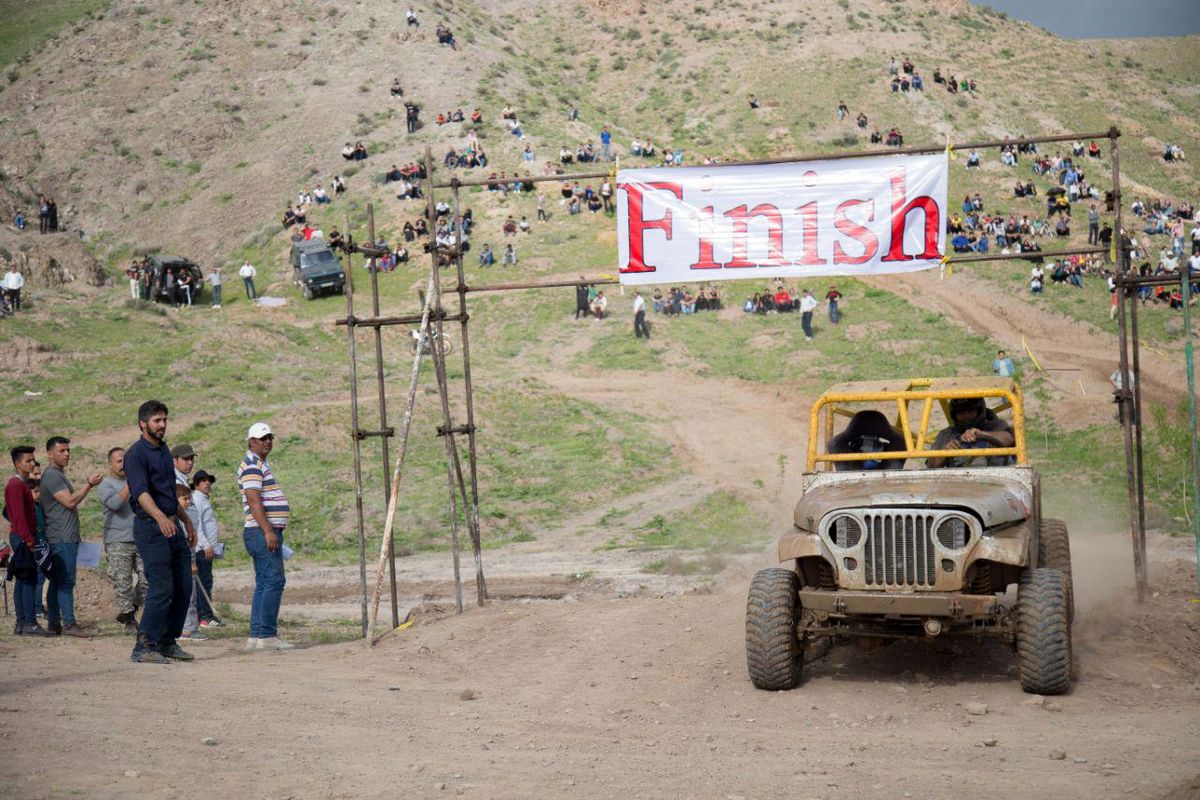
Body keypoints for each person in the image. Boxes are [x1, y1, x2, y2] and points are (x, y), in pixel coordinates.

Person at [124, 400, 198, 664]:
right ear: (143, 424)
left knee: (183, 584)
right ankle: (144, 646)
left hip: (171, 523)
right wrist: (159, 518)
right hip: (150, 526)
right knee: (161, 587)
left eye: (165, 419)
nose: (163, 424)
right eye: (157, 420)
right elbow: (140, 492)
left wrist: (185, 521)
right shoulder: (136, 454)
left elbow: (169, 492)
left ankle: (167, 641)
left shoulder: (165, 450)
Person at [238, 422, 294, 650]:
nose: (267, 442)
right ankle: (268, 635)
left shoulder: (258, 463)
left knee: (264, 583)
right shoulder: (252, 465)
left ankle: (257, 635)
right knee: (274, 581)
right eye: (262, 438)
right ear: (252, 442)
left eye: (270, 437)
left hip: (260, 531)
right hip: (262, 531)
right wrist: (268, 530)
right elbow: (253, 499)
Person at [40, 436, 102, 637]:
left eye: (67, 450)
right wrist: (89, 485)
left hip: (64, 536)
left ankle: (54, 623)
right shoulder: (52, 476)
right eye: (61, 451)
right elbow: (70, 502)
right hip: (61, 537)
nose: (66, 454)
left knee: (58, 581)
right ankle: (68, 623)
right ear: (50, 453)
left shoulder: (56, 475)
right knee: (66, 581)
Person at [97, 447, 144, 634]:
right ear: (110, 464)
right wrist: (131, 484)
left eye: (125, 460)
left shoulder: (136, 482)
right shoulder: (105, 485)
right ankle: (129, 621)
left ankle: (129, 609)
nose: (123, 464)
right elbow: (115, 504)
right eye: (118, 461)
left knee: (148, 578)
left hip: (140, 537)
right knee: (123, 581)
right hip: (117, 540)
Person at [6, 446, 52, 636]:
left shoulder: (22, 484)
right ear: (18, 464)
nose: (32, 464)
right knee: (29, 579)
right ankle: (30, 623)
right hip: (24, 537)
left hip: (23, 536)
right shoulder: (16, 485)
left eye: (33, 460)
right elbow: (18, 516)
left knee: (22, 580)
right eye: (28, 461)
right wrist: (28, 540)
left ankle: (22, 623)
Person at [927, 397, 1015, 469]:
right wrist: (945, 452)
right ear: (954, 415)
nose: (966, 416)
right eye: (961, 413)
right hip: (963, 485)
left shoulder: (995, 425)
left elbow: (1009, 438)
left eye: (970, 411)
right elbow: (931, 466)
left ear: (979, 410)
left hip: (1000, 481)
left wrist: (983, 434)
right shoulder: (947, 435)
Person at [188, 470, 221, 629]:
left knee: (207, 580)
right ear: (196, 484)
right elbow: (197, 524)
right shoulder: (196, 499)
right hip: (202, 549)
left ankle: (206, 615)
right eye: (203, 481)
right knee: (204, 581)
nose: (207, 483)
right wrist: (206, 544)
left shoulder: (203, 499)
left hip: (207, 548)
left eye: (209, 481)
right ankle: (205, 617)